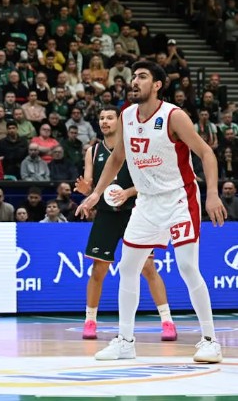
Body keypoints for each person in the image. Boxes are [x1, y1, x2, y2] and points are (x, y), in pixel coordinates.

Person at [77, 61, 226, 363]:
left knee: (187, 267)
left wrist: (212, 193)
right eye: (133, 76)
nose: (135, 81)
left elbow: (206, 152)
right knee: (128, 267)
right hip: (146, 202)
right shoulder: (126, 116)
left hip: (179, 198)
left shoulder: (173, 116)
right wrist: (95, 193)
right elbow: (117, 158)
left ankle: (211, 341)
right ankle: (125, 341)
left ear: (157, 85)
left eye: (142, 76)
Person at [74, 106, 177, 341]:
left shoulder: (134, 147)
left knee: (148, 267)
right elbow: (91, 186)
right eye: (101, 118)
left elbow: (149, 181)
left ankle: (167, 321)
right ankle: (90, 321)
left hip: (135, 213)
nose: (104, 121)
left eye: (110, 118)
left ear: (119, 122)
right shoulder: (93, 151)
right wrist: (86, 190)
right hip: (106, 215)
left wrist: (128, 193)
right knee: (98, 269)